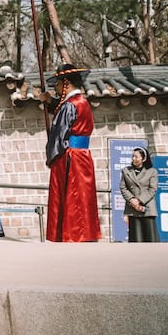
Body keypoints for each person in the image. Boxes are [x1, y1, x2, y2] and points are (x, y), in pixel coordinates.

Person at [45, 64, 100, 242]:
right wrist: (51, 103)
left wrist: (51, 155)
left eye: (59, 84)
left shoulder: (71, 104)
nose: (57, 88)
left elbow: (60, 132)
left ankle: (74, 233)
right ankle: (85, 232)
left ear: (66, 83)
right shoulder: (81, 102)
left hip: (70, 155)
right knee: (83, 195)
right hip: (82, 154)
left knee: (72, 194)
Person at [119, 146, 159, 243]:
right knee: (136, 238)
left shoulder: (152, 172)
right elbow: (123, 187)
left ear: (143, 158)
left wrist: (139, 200)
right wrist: (132, 199)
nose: (133, 159)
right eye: (133, 156)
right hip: (132, 207)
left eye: (136, 157)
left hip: (147, 207)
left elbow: (152, 189)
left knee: (150, 237)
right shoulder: (126, 171)